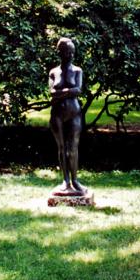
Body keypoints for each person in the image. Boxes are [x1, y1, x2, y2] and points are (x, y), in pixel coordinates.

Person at [49, 37, 87, 195]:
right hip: (57, 114)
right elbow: (51, 92)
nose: (71, 55)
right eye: (67, 52)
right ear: (60, 53)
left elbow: (78, 90)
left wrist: (61, 93)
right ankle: (65, 180)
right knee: (61, 147)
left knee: (73, 148)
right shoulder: (54, 72)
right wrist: (67, 92)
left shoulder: (78, 71)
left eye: (72, 52)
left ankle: (75, 180)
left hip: (74, 113)